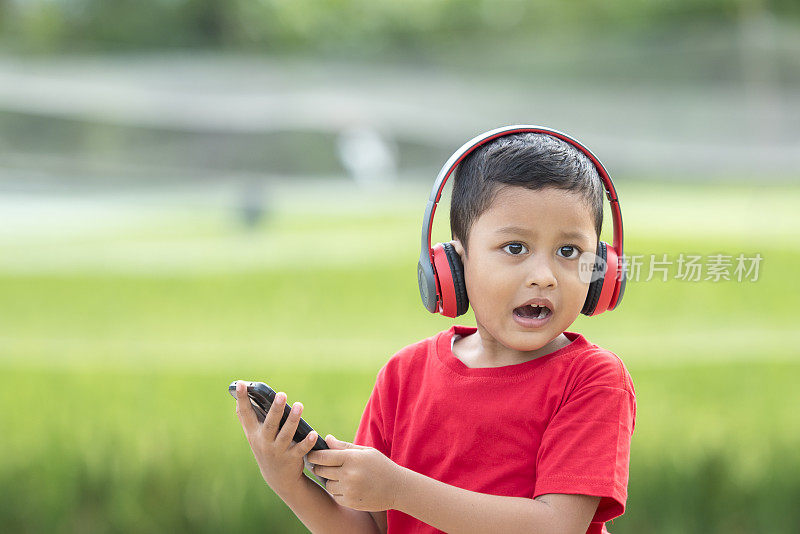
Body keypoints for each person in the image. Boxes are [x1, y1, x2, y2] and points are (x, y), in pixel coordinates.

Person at [234, 127, 637, 534]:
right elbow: (369, 528)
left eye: (569, 251)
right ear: (455, 265)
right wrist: (289, 483)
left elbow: (555, 527)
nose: (544, 277)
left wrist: (397, 488)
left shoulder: (593, 379)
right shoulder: (403, 374)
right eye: (515, 248)